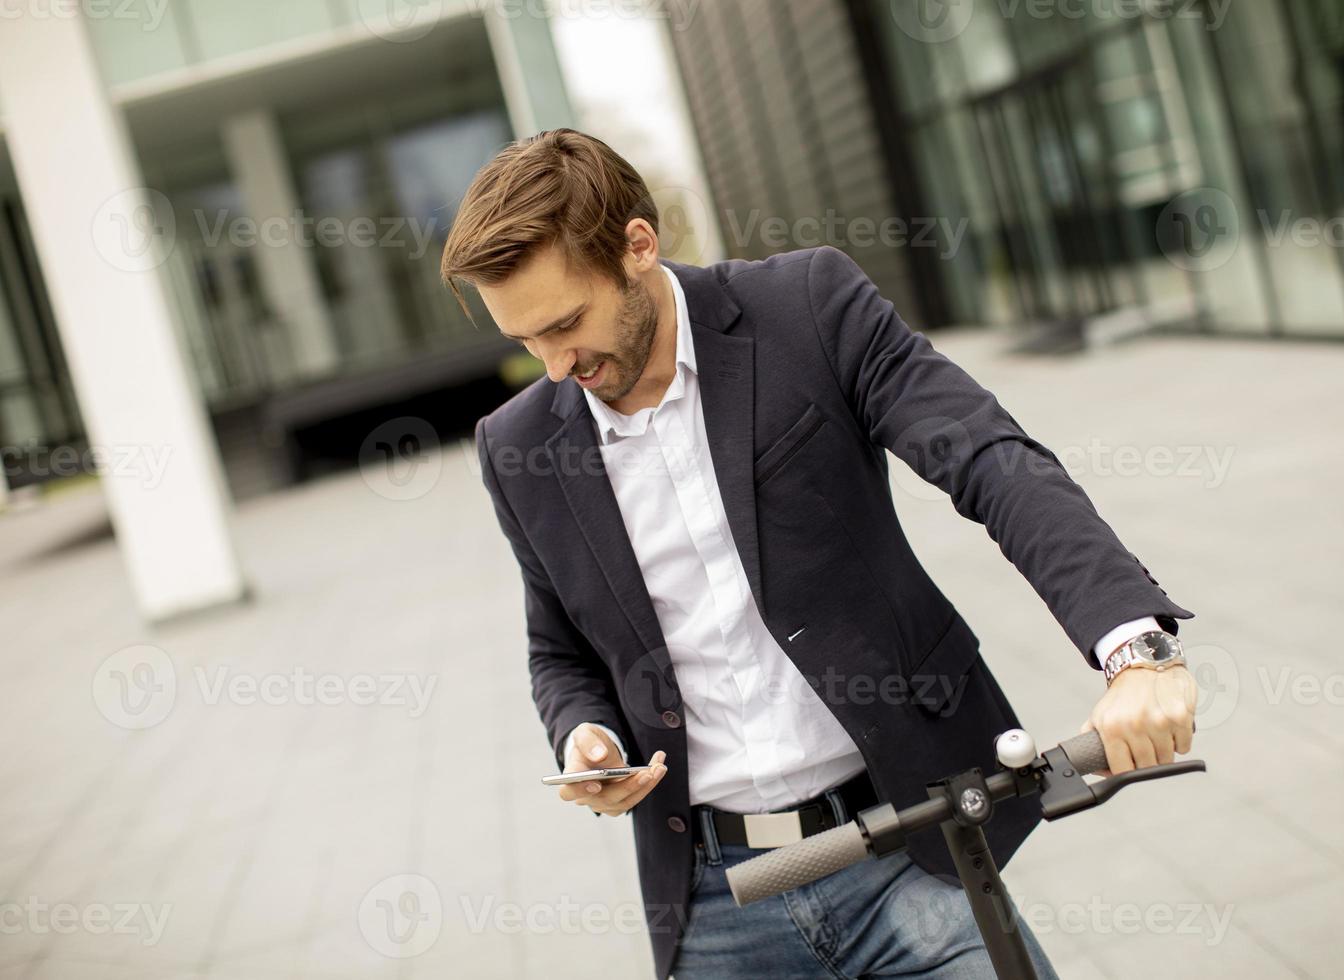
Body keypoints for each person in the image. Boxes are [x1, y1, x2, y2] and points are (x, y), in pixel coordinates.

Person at [442, 129, 1198, 979]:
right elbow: (559, 650)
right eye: (526, 342)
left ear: (638, 246)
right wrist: (584, 734)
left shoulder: (805, 305)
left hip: (913, 845)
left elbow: (988, 458)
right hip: (718, 906)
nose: (554, 366)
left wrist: (1135, 650)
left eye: (567, 323)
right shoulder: (517, 447)